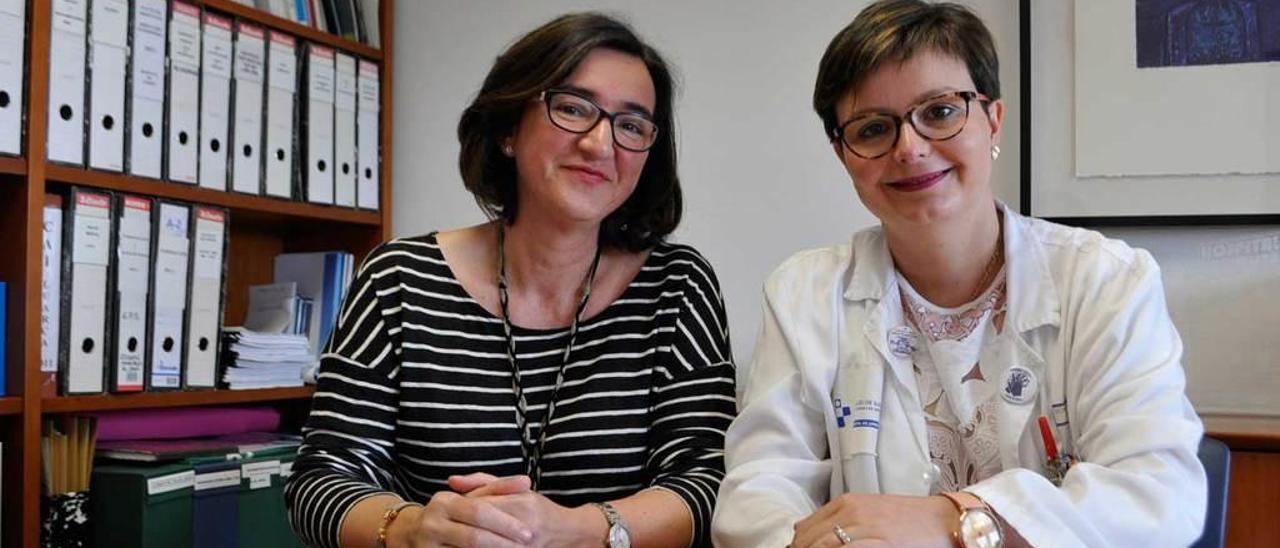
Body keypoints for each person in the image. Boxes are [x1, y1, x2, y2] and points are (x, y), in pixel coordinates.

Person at [713, 1, 1206, 547]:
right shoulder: (803, 295)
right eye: (873, 128)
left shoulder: (1106, 281)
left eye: (940, 111)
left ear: (992, 118)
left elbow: (1160, 498)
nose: (910, 148)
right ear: (843, 154)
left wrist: (959, 519)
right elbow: (757, 493)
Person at [284, 13, 735, 548]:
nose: (600, 143)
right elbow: (320, 477)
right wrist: (410, 528)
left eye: (632, 125)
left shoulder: (677, 286)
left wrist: (578, 530)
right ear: (507, 130)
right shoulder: (397, 279)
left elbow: (710, 484)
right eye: (572, 108)